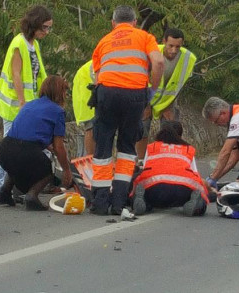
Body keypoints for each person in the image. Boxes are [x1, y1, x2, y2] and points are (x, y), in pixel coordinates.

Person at [90, 5, 164, 215]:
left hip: (107, 93)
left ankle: (100, 202)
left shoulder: (104, 41)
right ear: (133, 22)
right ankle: (119, 202)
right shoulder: (144, 36)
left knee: (103, 145)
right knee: (127, 147)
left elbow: (97, 77)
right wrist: (152, 89)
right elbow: (158, 61)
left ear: (113, 24)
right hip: (135, 94)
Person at [0, 5, 52, 199]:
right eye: (45, 27)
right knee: (7, 148)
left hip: (28, 106)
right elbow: (16, 74)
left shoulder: (33, 45)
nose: (47, 32)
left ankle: (10, 187)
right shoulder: (19, 43)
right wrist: (23, 103)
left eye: (49, 28)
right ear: (34, 25)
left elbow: (38, 75)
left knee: (15, 149)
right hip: (14, 106)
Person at [0, 75, 72, 210]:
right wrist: (66, 171)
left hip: (4, 149)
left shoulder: (30, 104)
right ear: (59, 92)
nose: (65, 95)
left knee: (16, 161)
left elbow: (28, 132)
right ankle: (32, 195)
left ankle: (4, 191)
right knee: (49, 168)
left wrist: (47, 145)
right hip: (26, 151)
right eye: (64, 91)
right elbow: (59, 147)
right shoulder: (58, 111)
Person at [136, 28, 197, 160]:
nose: (174, 50)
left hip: (168, 101)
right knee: (142, 127)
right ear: (164, 41)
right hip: (146, 99)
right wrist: (145, 106)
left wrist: (168, 106)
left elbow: (180, 84)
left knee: (171, 129)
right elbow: (141, 79)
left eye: (177, 47)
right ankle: (140, 161)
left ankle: (167, 160)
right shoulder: (152, 52)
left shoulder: (188, 58)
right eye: (171, 46)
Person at [132, 121, 210, 216]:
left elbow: (145, 170)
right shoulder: (187, 149)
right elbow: (195, 175)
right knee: (200, 196)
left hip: (154, 191)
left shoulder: (152, 147)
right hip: (182, 192)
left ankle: (144, 202)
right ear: (180, 135)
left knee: (142, 190)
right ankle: (196, 206)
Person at [202, 96, 239, 193]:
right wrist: (214, 178)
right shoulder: (234, 119)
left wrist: (212, 178)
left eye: (216, 121)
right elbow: (234, 157)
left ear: (223, 113)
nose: (216, 124)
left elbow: (226, 152)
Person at [72, 60, 96, 155]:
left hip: (88, 96)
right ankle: (91, 160)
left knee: (91, 128)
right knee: (91, 127)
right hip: (89, 97)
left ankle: (92, 159)